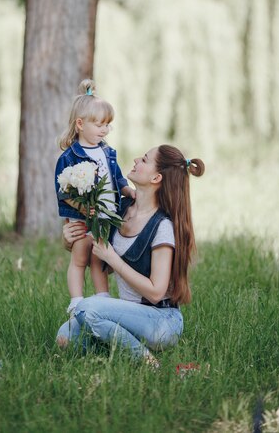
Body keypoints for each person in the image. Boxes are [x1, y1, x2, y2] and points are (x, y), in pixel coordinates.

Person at [56, 144, 205, 366]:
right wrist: (69, 240)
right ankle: (118, 344)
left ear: (156, 178)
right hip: (129, 316)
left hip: (161, 321)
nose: (136, 160)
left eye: (144, 160)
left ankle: (147, 362)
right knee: (64, 337)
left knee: (86, 308)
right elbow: (93, 252)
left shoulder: (162, 226)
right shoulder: (121, 209)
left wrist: (113, 259)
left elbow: (156, 292)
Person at [55, 79, 136, 316]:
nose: (104, 130)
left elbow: (117, 176)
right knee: (80, 258)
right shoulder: (70, 157)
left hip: (105, 215)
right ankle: (76, 300)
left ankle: (103, 297)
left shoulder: (107, 151)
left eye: (107, 125)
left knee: (99, 258)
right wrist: (82, 209)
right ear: (80, 124)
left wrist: (126, 189)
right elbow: (63, 191)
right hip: (81, 218)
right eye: (99, 124)